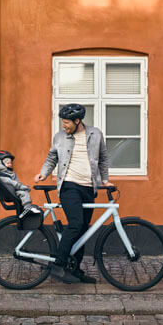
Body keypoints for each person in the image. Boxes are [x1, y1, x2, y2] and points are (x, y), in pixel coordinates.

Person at [34, 103, 109, 284]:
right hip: (69, 186)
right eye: (63, 122)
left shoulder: (95, 134)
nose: (64, 126)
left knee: (83, 230)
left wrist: (105, 181)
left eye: (67, 122)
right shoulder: (60, 137)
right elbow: (52, 157)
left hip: (89, 187)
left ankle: (75, 269)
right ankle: (58, 264)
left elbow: (104, 158)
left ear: (77, 121)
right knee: (76, 224)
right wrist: (44, 172)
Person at [0, 151, 41, 219]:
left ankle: (27, 208)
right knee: (24, 193)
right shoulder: (2, 176)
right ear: (0, 164)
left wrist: (22, 186)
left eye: (11, 163)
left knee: (24, 193)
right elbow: (13, 183)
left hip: (12, 191)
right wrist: (22, 187)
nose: (10, 164)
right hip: (9, 193)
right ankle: (27, 208)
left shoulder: (9, 173)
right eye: (7, 163)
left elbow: (16, 182)